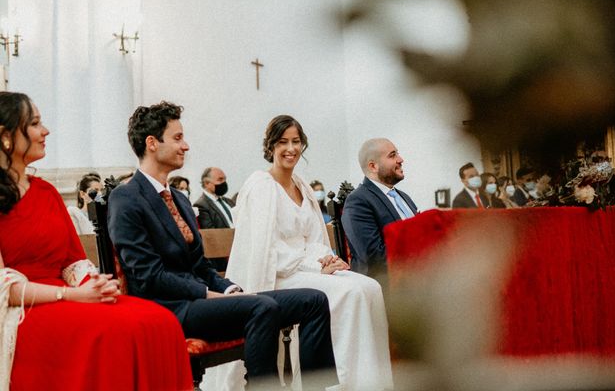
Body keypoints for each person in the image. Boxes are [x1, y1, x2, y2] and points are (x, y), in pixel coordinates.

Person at [107, 102, 338, 390]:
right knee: (261, 307)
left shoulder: (178, 198)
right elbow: (147, 276)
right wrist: (207, 294)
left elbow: (200, 265)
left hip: (201, 299)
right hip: (168, 307)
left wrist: (228, 289)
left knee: (313, 300)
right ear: (152, 143)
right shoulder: (127, 198)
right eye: (177, 138)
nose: (186, 146)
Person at [0, 91, 192, 390]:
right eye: (35, 123)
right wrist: (73, 296)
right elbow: (3, 288)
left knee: (159, 321)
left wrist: (94, 282)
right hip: (22, 307)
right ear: (6, 136)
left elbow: (72, 260)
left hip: (67, 295)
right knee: (113, 332)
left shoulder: (46, 193)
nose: (45, 130)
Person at [227, 116, 393, 391]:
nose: (290, 148)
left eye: (296, 141)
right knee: (349, 293)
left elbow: (314, 238)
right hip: (278, 276)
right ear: (270, 147)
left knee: (370, 287)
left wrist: (327, 258)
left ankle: (372, 384)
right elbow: (267, 251)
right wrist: (316, 267)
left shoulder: (302, 186)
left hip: (306, 269)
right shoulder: (261, 185)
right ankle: (338, 385)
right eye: (283, 142)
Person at [341, 138, 418, 280]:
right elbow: (373, 258)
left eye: (398, 154)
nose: (400, 159)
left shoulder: (404, 197)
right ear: (373, 166)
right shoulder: (358, 201)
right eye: (392, 155)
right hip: (388, 284)